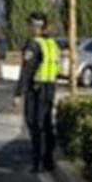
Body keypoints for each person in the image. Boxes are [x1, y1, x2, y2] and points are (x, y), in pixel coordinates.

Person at [14, 10, 60, 173]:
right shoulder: (52, 43)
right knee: (47, 124)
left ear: (33, 26)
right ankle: (49, 160)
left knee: (35, 124)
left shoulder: (33, 44)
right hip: (50, 87)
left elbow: (27, 69)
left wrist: (18, 92)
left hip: (37, 89)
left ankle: (37, 162)